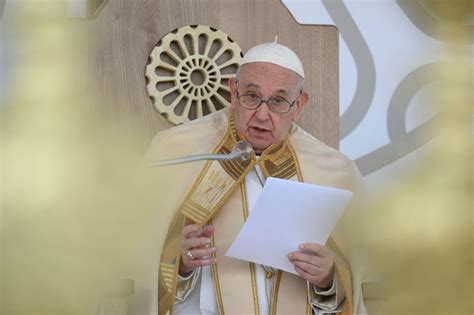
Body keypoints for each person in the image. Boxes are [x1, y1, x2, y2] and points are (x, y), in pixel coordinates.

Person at [145, 40, 366, 314]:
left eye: (278, 101)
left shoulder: (334, 171)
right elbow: (140, 270)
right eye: (251, 96)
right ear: (233, 92)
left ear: (299, 105)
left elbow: (350, 291)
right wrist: (181, 263)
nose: (262, 115)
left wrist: (327, 279)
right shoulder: (177, 152)